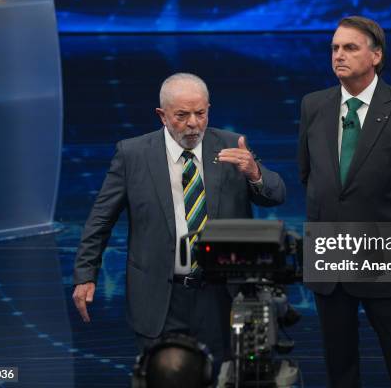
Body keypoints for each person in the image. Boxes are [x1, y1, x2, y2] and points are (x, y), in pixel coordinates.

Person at [73, 73, 286, 366]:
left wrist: (255, 173)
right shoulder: (133, 154)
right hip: (160, 296)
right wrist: (86, 275)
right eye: (182, 115)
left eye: (200, 113)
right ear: (162, 115)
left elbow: (275, 195)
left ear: (208, 109)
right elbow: (100, 220)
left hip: (221, 295)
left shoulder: (230, 146)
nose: (193, 123)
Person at [297, 16, 391, 387]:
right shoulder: (313, 106)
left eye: (350, 47)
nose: (339, 55)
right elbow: (309, 175)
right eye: (334, 48)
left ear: (376, 55)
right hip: (330, 256)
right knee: (339, 364)